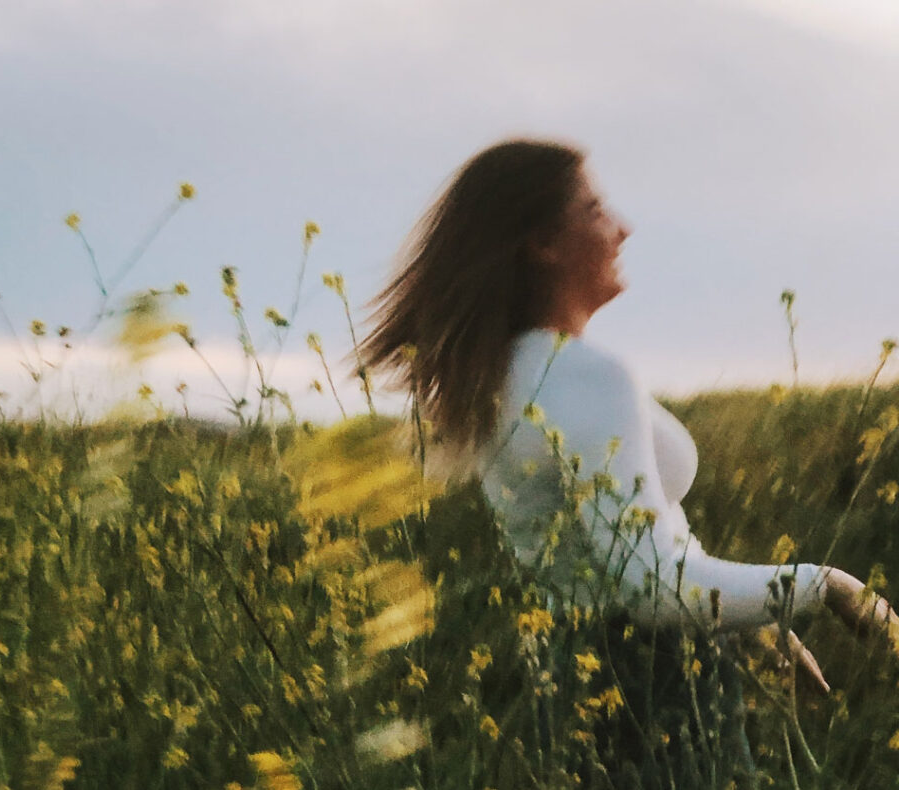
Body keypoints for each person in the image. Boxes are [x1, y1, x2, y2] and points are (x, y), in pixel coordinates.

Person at [357, 137, 898, 689]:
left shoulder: (503, 375)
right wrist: (826, 585)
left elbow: (626, 550)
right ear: (544, 242)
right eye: (595, 209)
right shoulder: (580, 376)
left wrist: (747, 620)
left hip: (575, 673)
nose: (623, 227)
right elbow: (652, 587)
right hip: (649, 682)